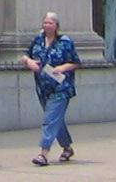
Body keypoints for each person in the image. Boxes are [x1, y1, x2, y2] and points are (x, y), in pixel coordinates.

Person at [23, 12, 78, 164]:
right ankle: (67, 148)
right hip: (43, 87)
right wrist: (29, 62)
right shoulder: (38, 40)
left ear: (56, 26)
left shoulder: (65, 42)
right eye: (45, 23)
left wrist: (62, 68)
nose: (47, 26)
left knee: (50, 119)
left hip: (61, 87)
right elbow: (25, 55)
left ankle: (43, 153)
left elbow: (75, 62)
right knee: (56, 120)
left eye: (50, 23)